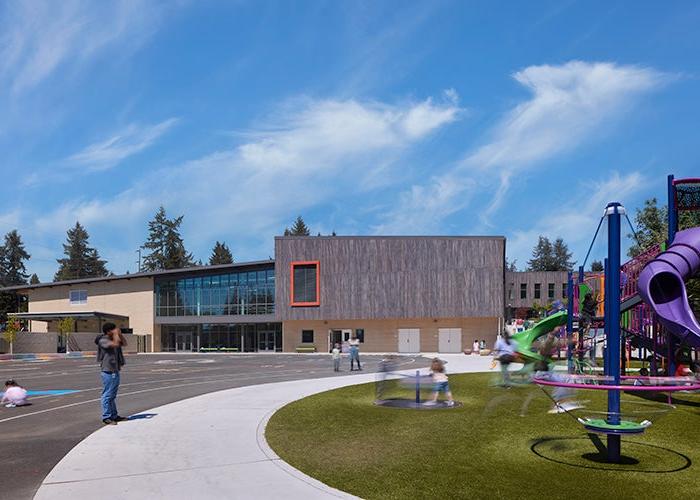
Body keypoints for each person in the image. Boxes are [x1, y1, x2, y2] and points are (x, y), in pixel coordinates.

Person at [97, 322, 127, 425]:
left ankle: (114, 415)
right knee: (107, 394)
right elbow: (115, 344)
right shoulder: (103, 340)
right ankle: (106, 416)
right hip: (108, 370)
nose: (115, 331)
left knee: (112, 395)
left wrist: (120, 334)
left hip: (115, 369)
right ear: (108, 331)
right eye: (113, 329)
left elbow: (123, 343)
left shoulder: (114, 338)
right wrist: (115, 335)